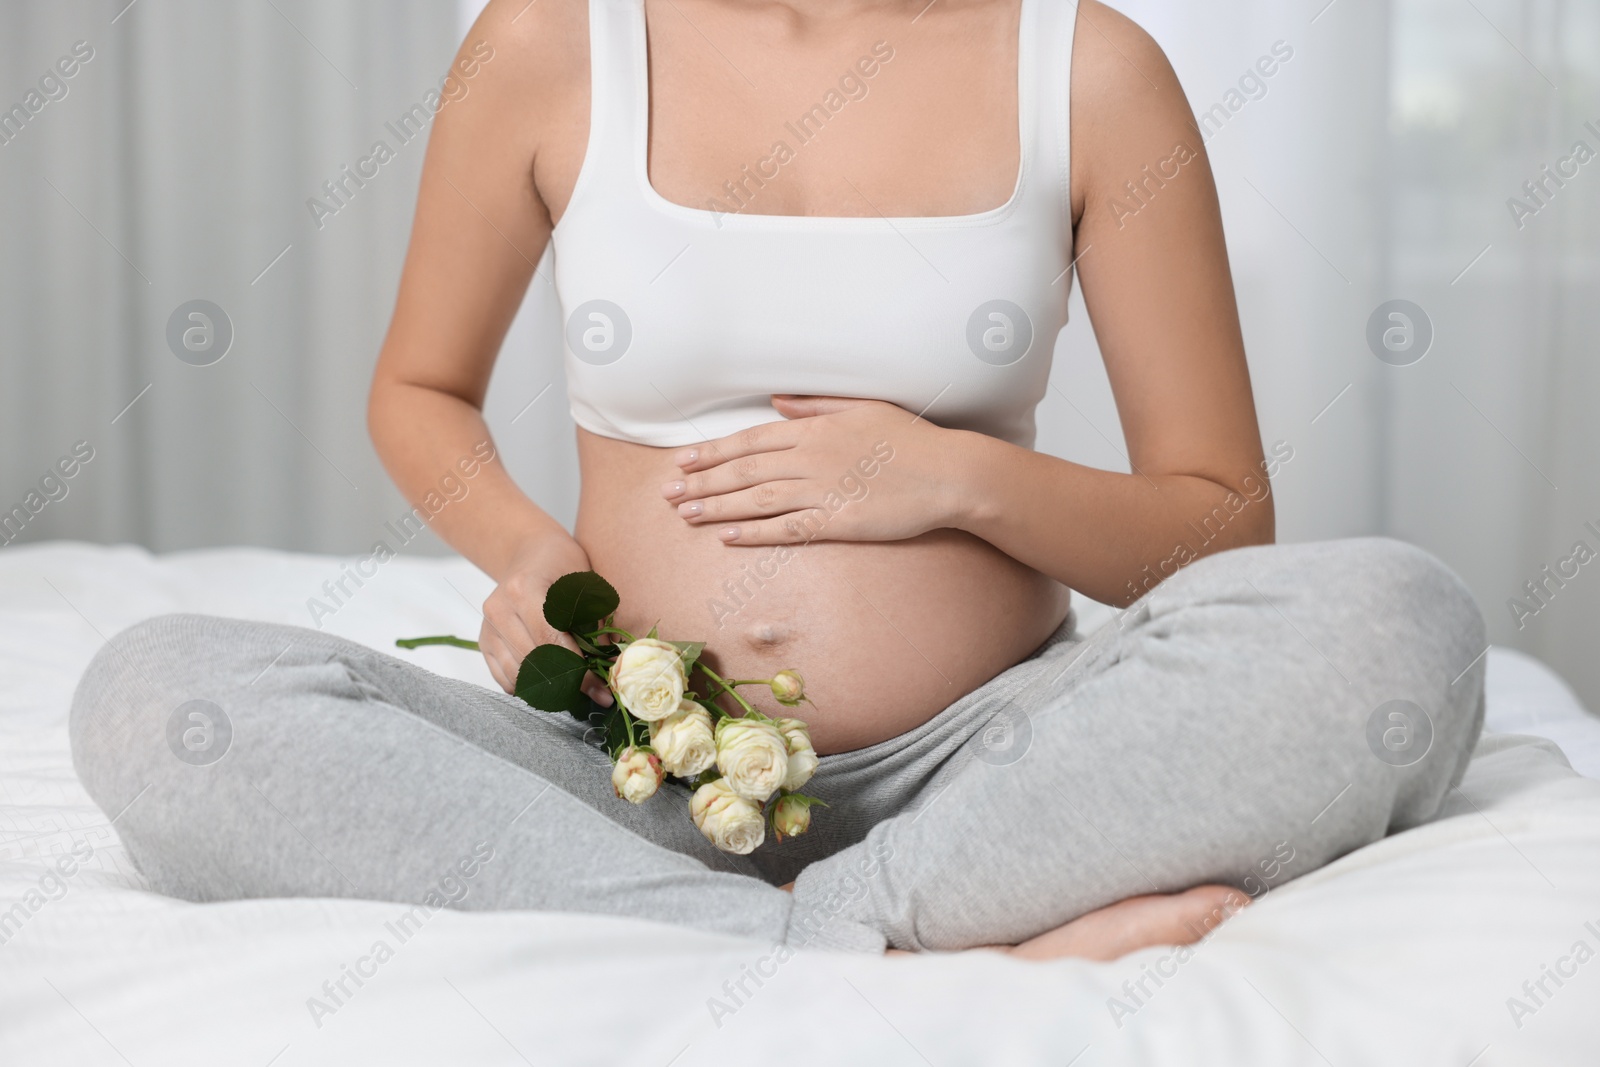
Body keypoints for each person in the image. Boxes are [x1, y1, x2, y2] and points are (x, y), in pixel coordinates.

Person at [70, 0, 1485, 959]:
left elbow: (1226, 526)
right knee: (159, 699)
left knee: (1394, 618)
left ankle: (824, 918)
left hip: (999, 762)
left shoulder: (1087, 64)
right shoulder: (553, 43)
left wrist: (957, 481)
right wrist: (528, 567)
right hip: (614, 767)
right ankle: (861, 939)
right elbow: (418, 391)